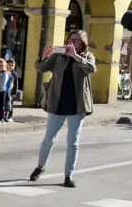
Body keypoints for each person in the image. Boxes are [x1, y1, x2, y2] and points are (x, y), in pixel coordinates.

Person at [30, 30, 96, 188]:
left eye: (77, 40)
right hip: (57, 102)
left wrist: (75, 56)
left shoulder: (87, 56)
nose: (73, 43)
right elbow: (40, 67)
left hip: (77, 104)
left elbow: (91, 69)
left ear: (83, 43)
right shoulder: (58, 56)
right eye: (71, 39)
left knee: (73, 141)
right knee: (49, 139)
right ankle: (40, 167)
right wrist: (45, 55)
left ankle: (68, 175)